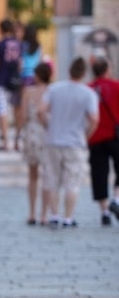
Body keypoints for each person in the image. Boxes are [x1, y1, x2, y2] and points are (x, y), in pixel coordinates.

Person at [38, 56, 99, 228]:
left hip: (54, 139)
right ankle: (68, 217)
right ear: (84, 73)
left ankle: (54, 214)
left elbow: (41, 111)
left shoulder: (55, 89)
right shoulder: (88, 93)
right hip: (75, 141)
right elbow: (94, 119)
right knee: (72, 182)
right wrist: (86, 135)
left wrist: (48, 126)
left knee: (52, 179)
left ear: (69, 70)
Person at [16, 61, 52, 225]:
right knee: (47, 176)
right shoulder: (52, 92)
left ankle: (32, 213)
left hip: (31, 133)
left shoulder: (28, 92)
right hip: (47, 133)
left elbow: (22, 115)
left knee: (32, 176)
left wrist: (17, 135)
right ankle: (44, 214)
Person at [87, 56, 119, 226]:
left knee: (99, 173)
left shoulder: (88, 88)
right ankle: (117, 199)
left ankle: (104, 211)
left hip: (95, 136)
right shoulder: (116, 86)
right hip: (115, 135)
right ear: (107, 69)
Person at [0, 18, 22, 151]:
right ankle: (17, 140)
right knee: (16, 111)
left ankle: (5, 141)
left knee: (2, 111)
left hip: (0, 80)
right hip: (14, 81)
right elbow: (20, 64)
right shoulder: (18, 44)